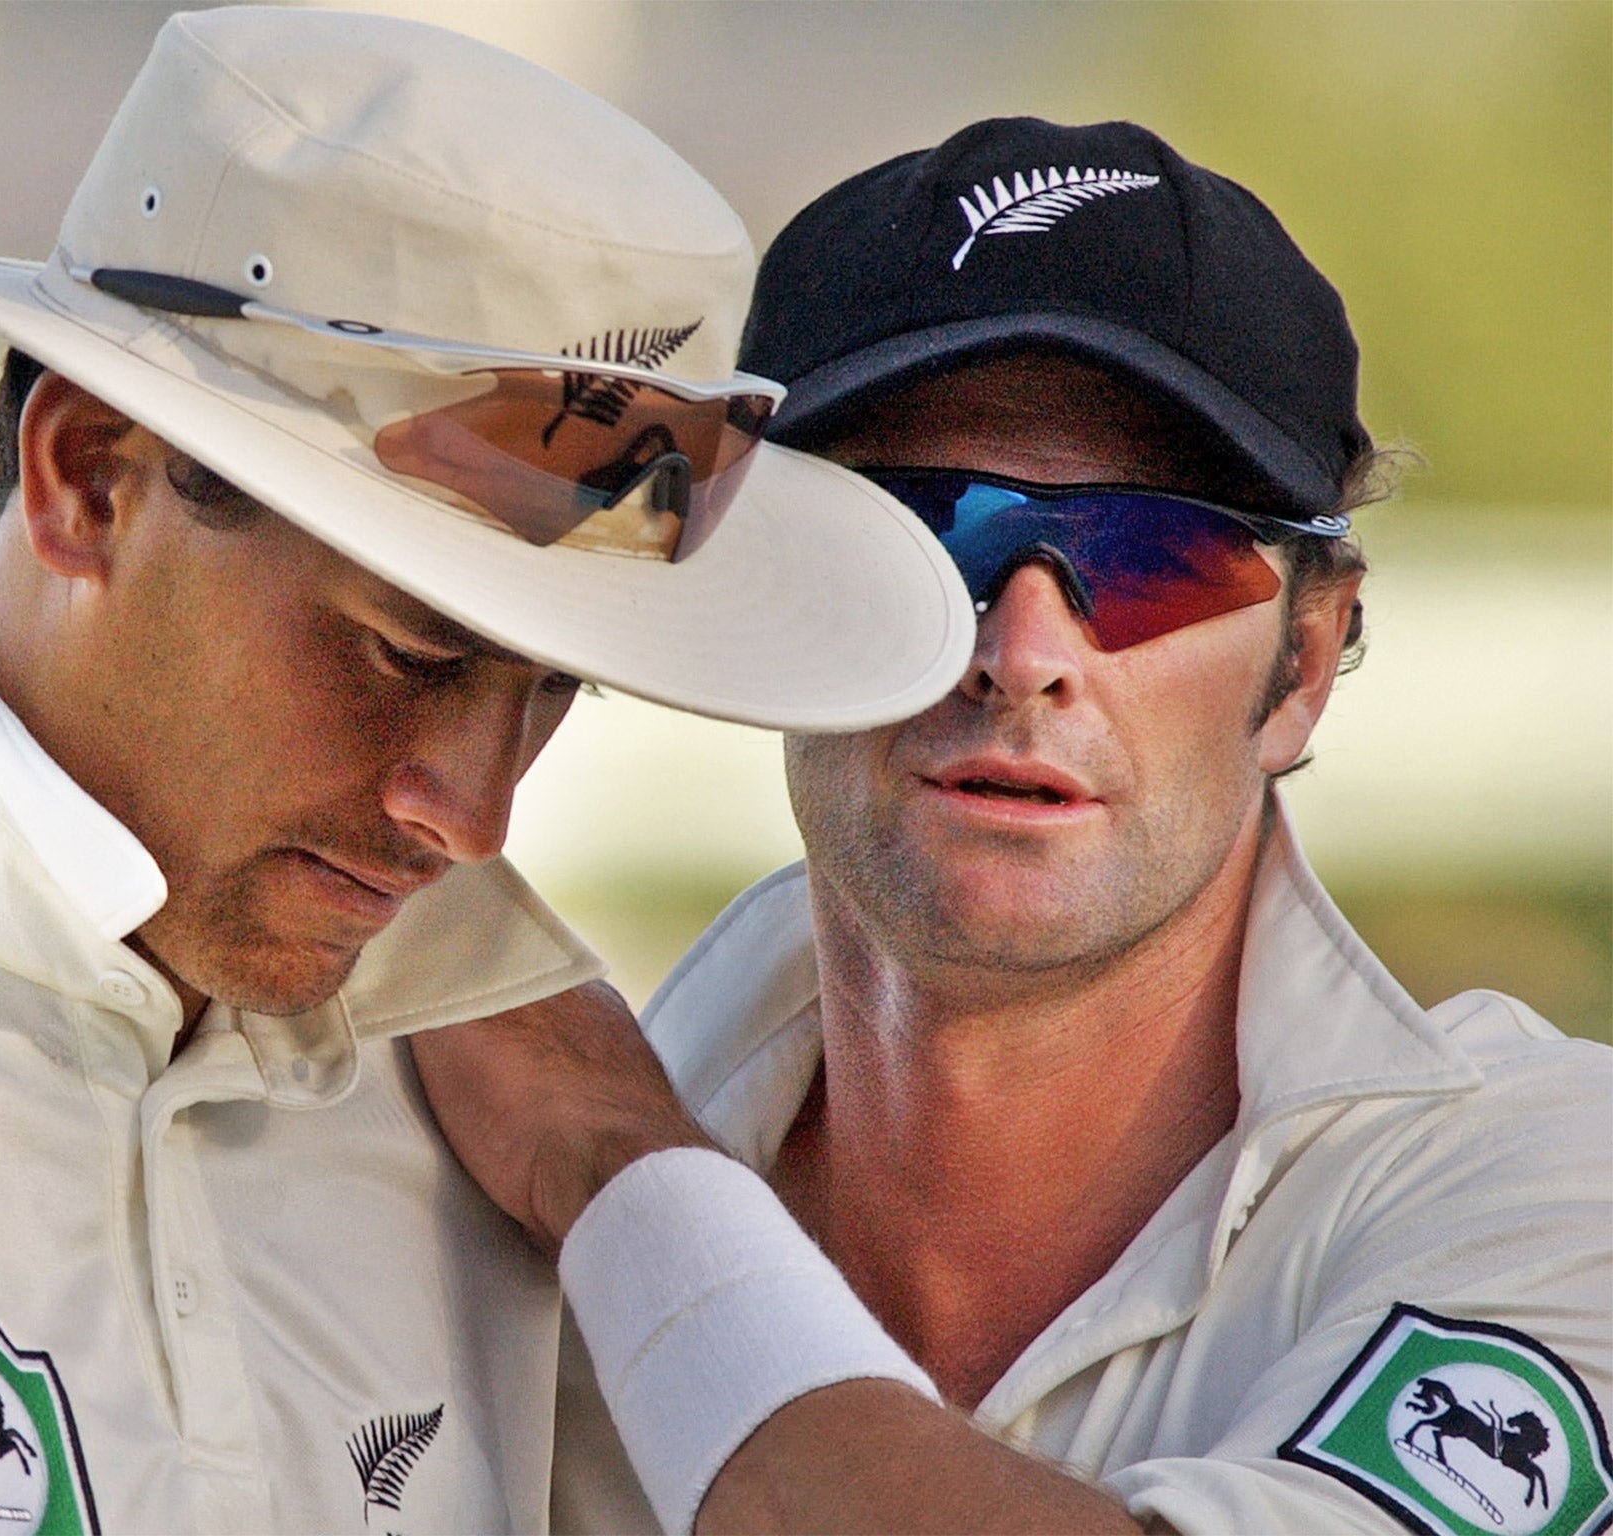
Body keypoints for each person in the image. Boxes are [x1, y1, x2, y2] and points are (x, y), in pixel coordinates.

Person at [0, 12, 975, 1533]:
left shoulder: (488, 1091)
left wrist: (640, 1183)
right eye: (408, 656)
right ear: (89, 475)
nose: (477, 818)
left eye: (551, 691)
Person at [415, 118, 1613, 1535]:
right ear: (765, 599)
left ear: (1302, 662)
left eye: (1153, 555)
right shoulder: (444, 1186)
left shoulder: (1551, 1184)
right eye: (924, 536)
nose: (1026, 646)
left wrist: (627, 1191)